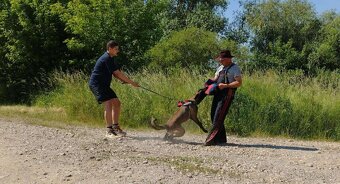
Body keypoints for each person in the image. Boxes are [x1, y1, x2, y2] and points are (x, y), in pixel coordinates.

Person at [89, 40, 140, 138]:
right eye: (116, 49)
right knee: (108, 103)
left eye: (118, 49)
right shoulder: (106, 58)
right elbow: (117, 73)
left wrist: (124, 80)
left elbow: (114, 73)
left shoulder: (111, 58)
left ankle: (115, 127)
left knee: (116, 103)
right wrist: (132, 83)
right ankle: (109, 130)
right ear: (110, 49)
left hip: (104, 85)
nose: (118, 51)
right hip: (97, 84)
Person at [202, 50, 242, 146]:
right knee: (213, 115)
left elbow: (239, 83)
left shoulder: (235, 68)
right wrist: (209, 83)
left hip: (227, 94)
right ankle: (221, 139)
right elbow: (215, 79)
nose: (221, 61)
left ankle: (211, 139)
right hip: (218, 93)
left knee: (218, 116)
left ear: (229, 59)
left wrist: (226, 85)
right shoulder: (220, 68)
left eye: (222, 59)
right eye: (220, 59)